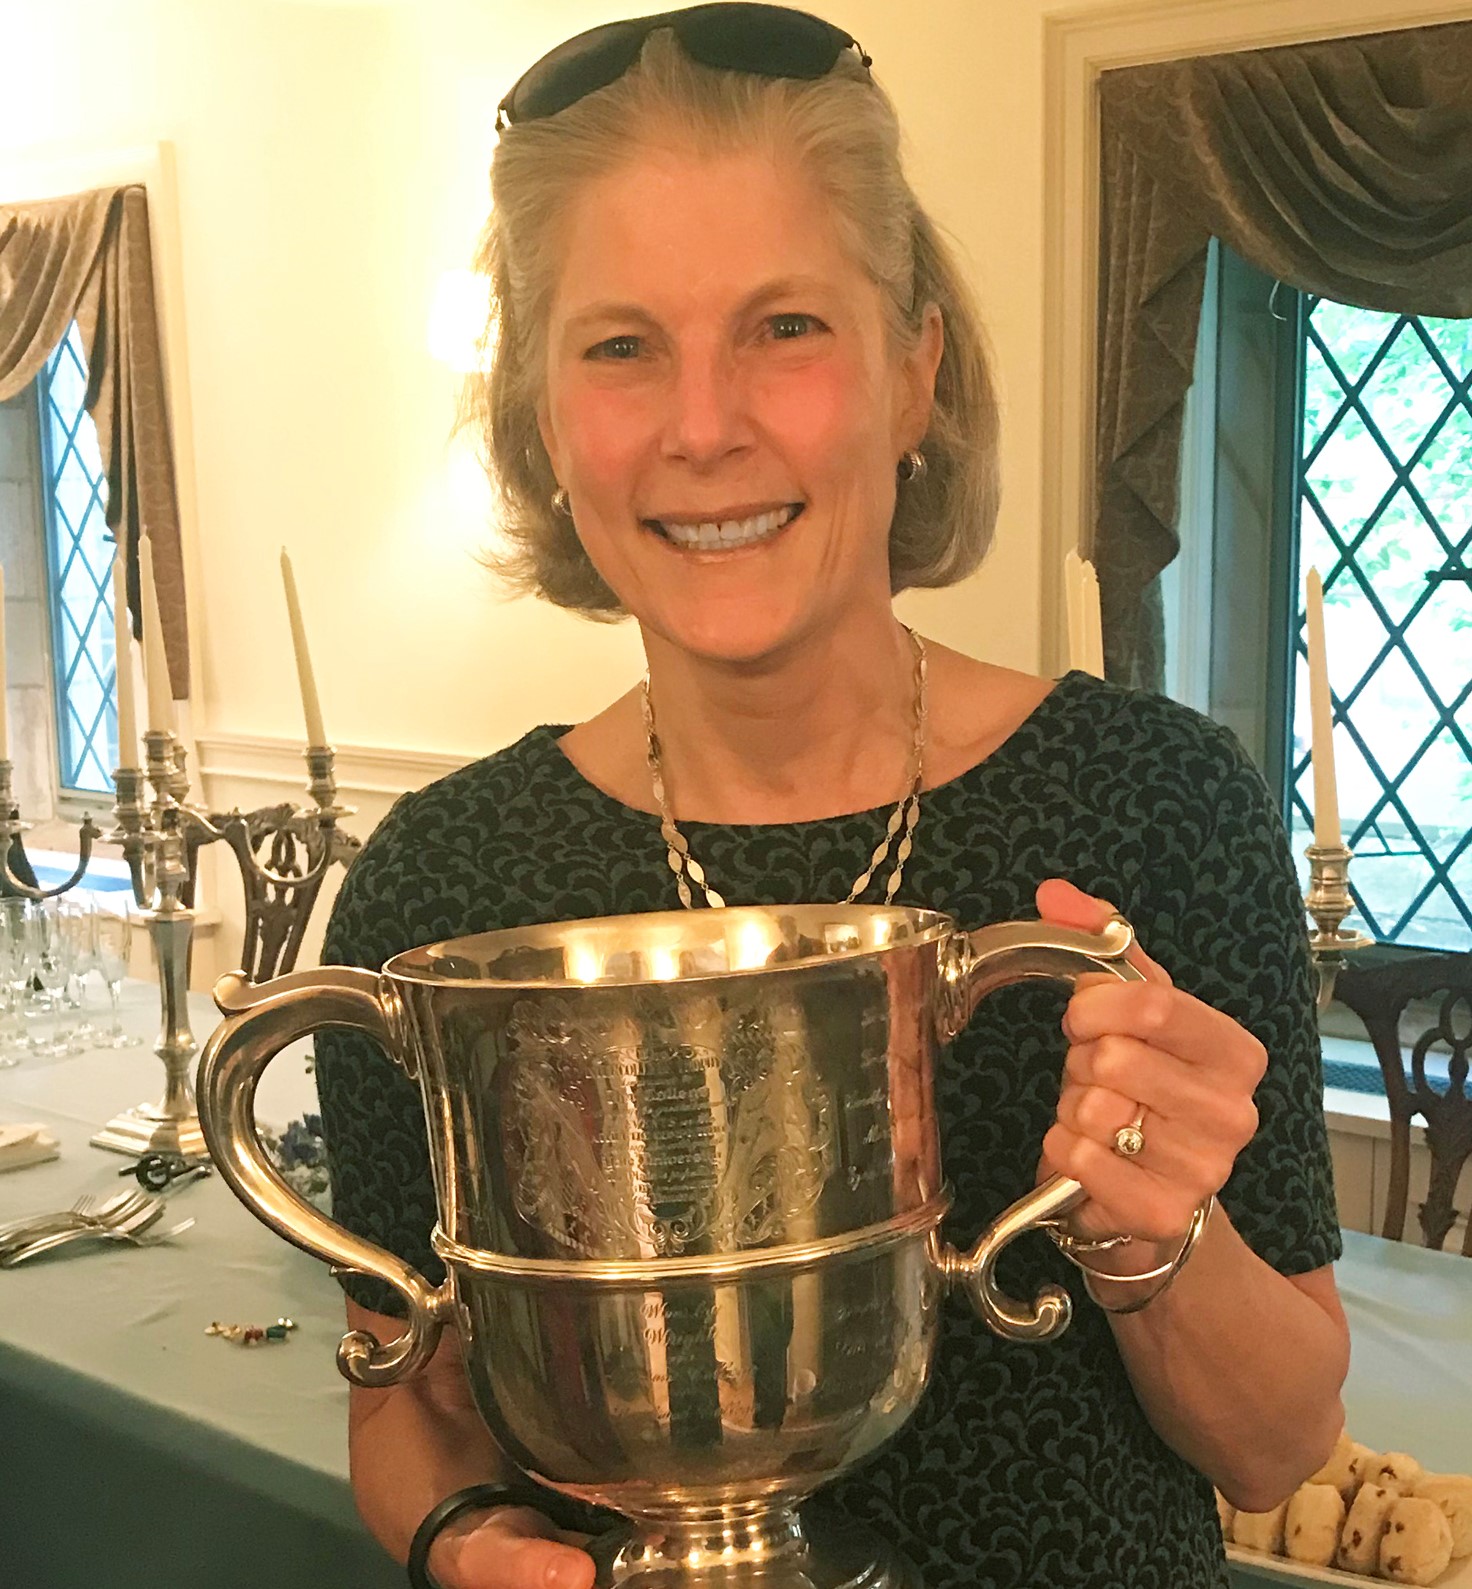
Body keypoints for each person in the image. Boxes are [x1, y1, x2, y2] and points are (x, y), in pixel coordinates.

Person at [313, 7, 1350, 1587]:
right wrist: (460, 1539)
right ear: (541, 412)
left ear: (915, 366)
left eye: (785, 326)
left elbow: (1277, 1446)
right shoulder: (443, 889)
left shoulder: (1156, 805)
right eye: (619, 345)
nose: (705, 423)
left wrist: (1155, 1234)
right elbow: (407, 1393)